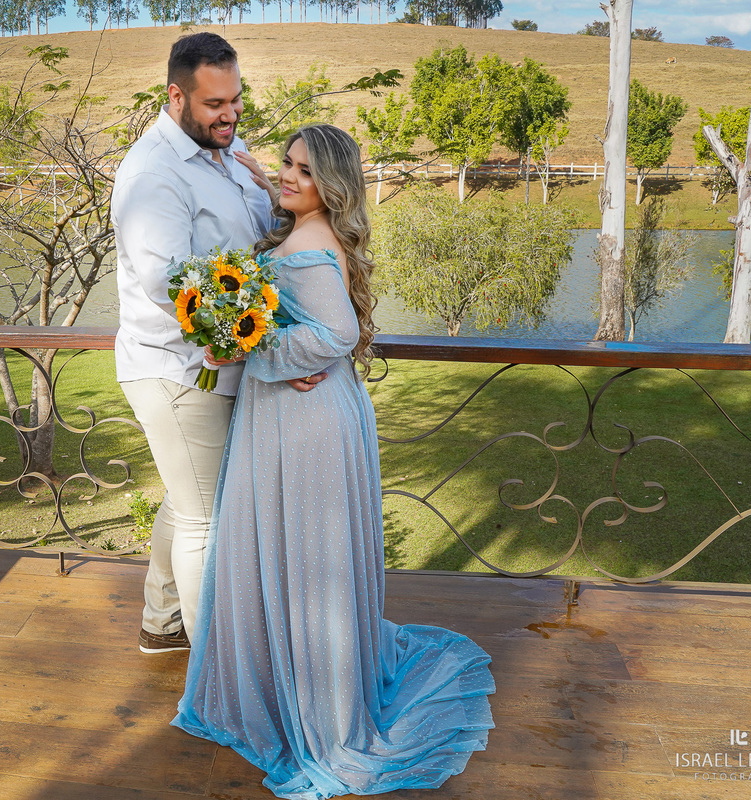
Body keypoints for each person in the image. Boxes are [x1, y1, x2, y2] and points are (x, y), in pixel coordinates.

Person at [173, 124, 496, 799]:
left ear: (332, 186)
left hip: (307, 424)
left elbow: (338, 334)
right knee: (299, 560)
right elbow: (314, 323)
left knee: (307, 562)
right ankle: (292, 681)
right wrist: (260, 175)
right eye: (288, 165)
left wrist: (250, 352)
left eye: (304, 172)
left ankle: (323, 716)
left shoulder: (312, 246)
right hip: (310, 414)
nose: (290, 177)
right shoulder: (309, 229)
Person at [113, 33, 324, 655]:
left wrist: (268, 192)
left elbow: (258, 251)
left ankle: (162, 621)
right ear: (175, 96)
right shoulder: (153, 176)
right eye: (213, 104)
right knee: (206, 518)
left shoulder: (227, 153)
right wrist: (276, 355)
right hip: (180, 372)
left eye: (235, 99)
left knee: (189, 499)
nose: (229, 114)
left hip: (223, 365)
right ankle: (219, 672)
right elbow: (172, 287)